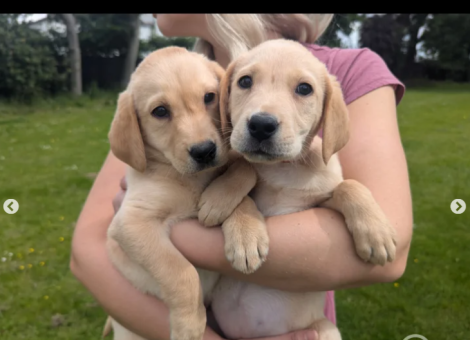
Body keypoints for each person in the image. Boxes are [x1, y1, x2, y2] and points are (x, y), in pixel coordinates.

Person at [70, 14, 413, 340]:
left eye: (209, 99)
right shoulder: (168, 77)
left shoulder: (348, 71)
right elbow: (91, 249)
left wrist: (208, 226)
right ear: (229, 100)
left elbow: (388, 252)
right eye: (245, 83)